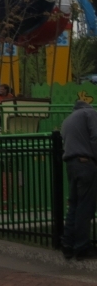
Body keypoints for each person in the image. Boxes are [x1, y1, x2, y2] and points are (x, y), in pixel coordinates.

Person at [60, 98, 97, 260]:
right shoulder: (90, 113)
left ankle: (67, 244)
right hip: (86, 163)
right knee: (85, 206)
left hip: (71, 164)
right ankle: (82, 247)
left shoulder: (68, 120)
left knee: (73, 204)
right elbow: (96, 138)